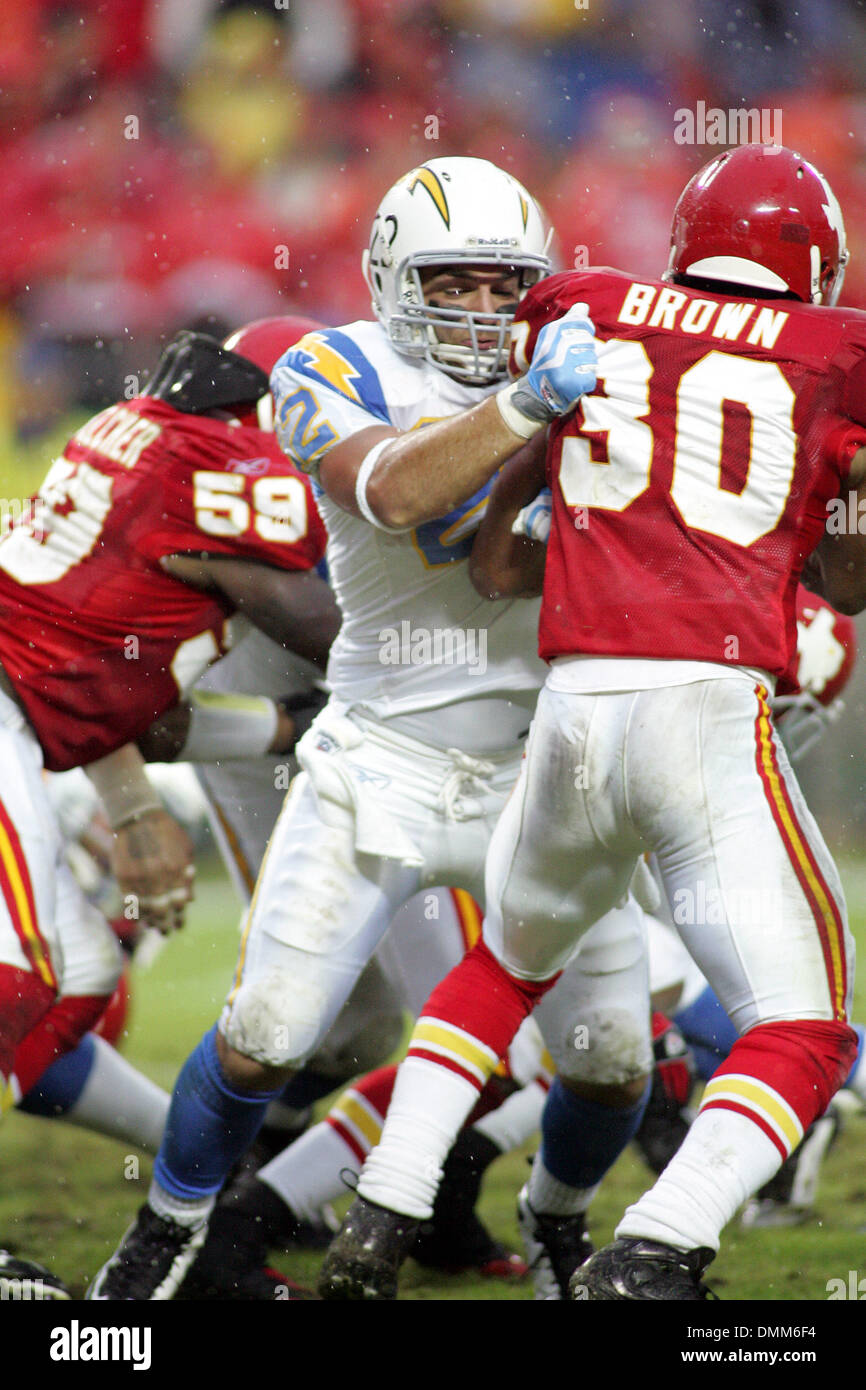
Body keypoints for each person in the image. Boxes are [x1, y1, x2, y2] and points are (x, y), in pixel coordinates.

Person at [88, 156, 658, 1302]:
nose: (486, 311)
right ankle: (165, 1240)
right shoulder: (329, 364)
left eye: (509, 287)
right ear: (392, 278)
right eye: (456, 282)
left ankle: (558, 1225)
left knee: (608, 1061)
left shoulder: (584, 371)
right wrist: (530, 408)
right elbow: (394, 492)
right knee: (267, 1031)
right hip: (379, 752)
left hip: (538, 765)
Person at [319, 142, 866, 1301]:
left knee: (504, 962)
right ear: (813, 259)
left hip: (569, 707)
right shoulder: (843, 351)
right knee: (808, 1025)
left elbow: (510, 526)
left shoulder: (586, 306)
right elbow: (851, 578)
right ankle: (657, 1246)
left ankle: (380, 1211)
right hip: (704, 706)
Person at [0, 316, 335, 1286]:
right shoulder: (231, 472)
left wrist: (277, 732)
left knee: (78, 978)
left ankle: (213, 1188)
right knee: (23, 977)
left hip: (21, 714)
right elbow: (327, 625)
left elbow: (116, 691)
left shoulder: (148, 428)